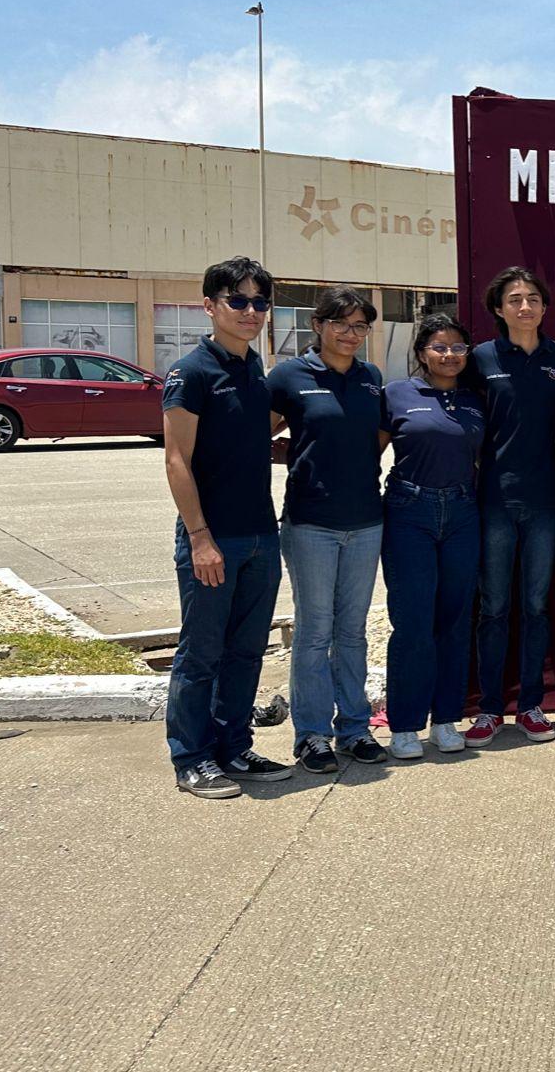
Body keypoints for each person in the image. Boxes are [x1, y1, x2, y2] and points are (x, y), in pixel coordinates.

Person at [160, 256, 291, 798]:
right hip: (214, 540)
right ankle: (191, 758)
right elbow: (177, 460)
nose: (251, 312)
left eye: (260, 302)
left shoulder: (253, 371)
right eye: (238, 301)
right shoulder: (190, 372)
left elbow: (245, 435)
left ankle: (233, 747)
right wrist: (199, 538)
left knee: (246, 650)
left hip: (262, 535)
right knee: (201, 653)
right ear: (210, 306)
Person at [267, 286, 388, 772]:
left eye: (360, 326)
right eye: (340, 324)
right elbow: (256, 431)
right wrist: (297, 457)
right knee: (315, 631)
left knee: (353, 631)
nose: (350, 334)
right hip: (311, 523)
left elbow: (378, 435)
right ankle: (312, 735)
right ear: (318, 325)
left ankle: (354, 729)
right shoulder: (288, 376)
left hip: (365, 521)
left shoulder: (370, 378)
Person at [467, 268, 555, 747]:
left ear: (545, 307)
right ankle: (490, 709)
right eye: (514, 299)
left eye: (533, 298)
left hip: (545, 500)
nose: (524, 306)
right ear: (498, 308)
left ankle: (530, 704)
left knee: (535, 606)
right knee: (493, 608)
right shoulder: (481, 358)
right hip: (494, 499)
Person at [379, 314, 486, 759]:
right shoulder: (397, 394)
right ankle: (405, 724)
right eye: (440, 347)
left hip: (463, 512)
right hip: (410, 512)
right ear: (422, 352)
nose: (450, 356)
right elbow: (369, 453)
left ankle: (445, 719)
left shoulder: (476, 399)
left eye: (458, 348)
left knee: (455, 621)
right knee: (413, 622)